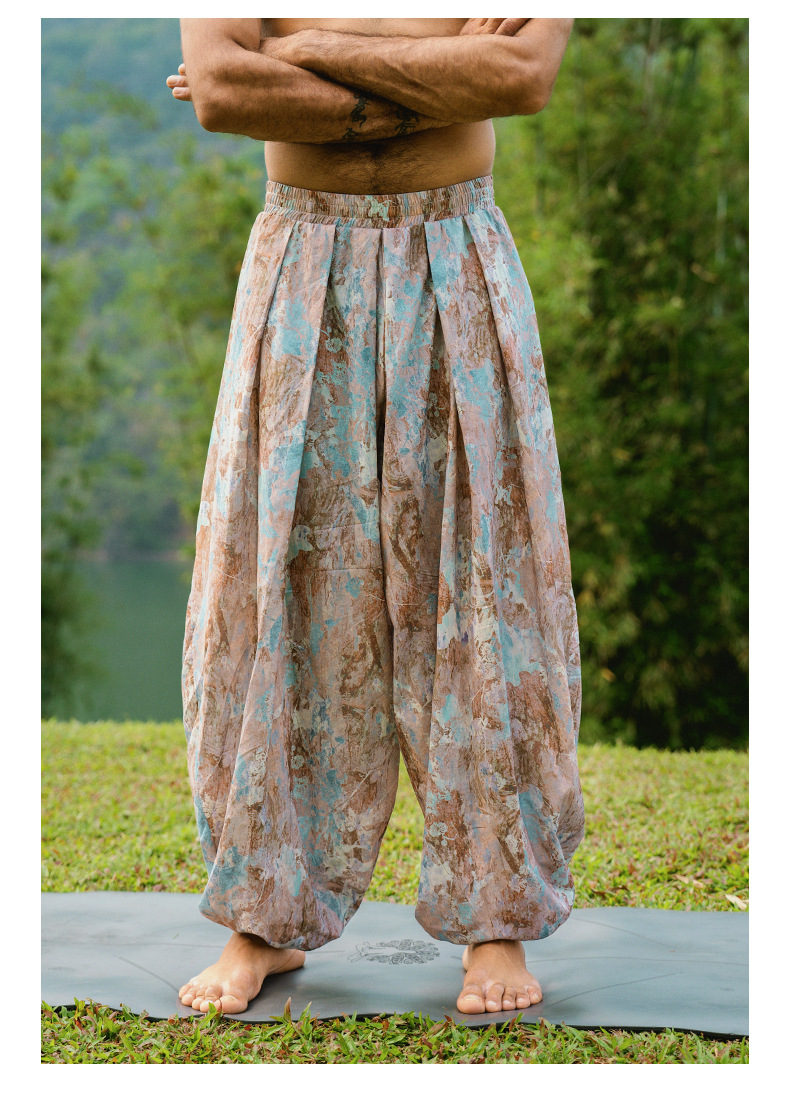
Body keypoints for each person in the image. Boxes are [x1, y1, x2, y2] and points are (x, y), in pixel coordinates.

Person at [167, 16, 584, 1018]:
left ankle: (496, 920)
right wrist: (434, 80)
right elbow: (224, 91)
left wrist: (307, 47)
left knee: (483, 582)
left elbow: (518, 75)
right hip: (299, 259)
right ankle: (264, 917)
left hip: (458, 252)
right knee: (277, 582)